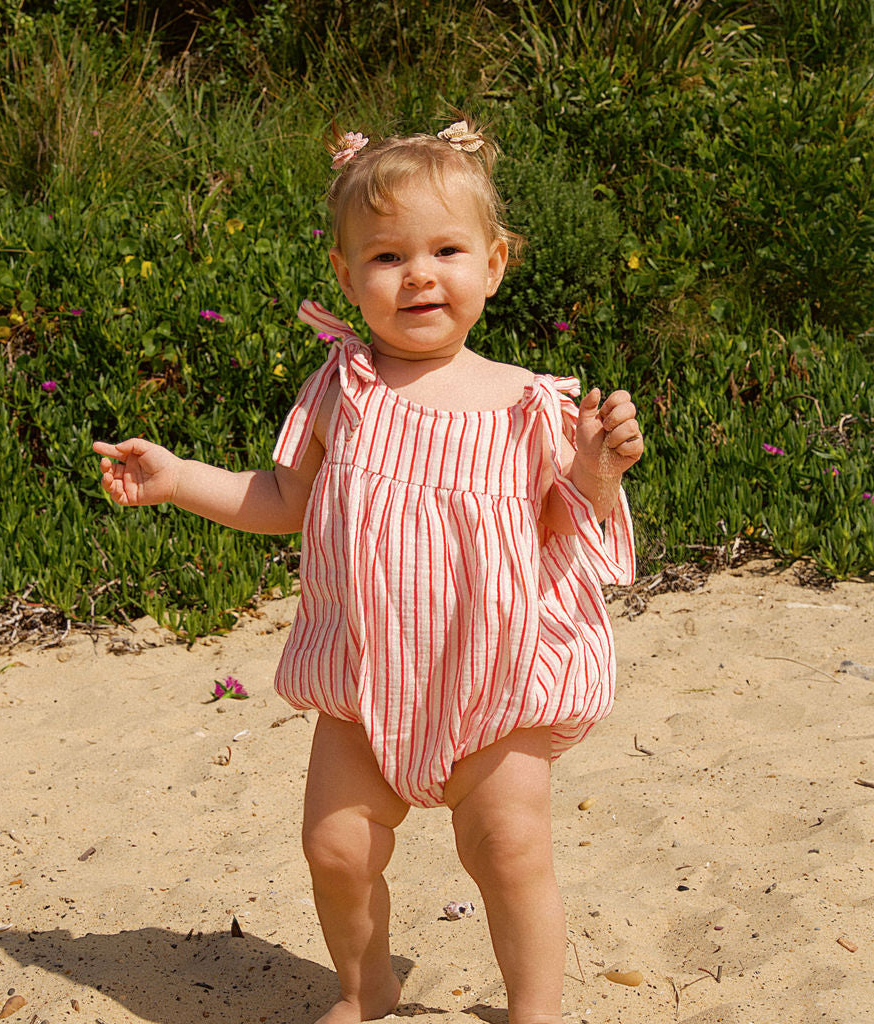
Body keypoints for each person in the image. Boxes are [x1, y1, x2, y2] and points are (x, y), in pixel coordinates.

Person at [94, 119, 643, 1024]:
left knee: (509, 848)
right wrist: (178, 478)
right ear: (348, 279)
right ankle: (367, 988)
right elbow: (283, 497)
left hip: (495, 683)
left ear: (495, 264)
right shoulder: (342, 392)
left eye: (447, 250)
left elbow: (566, 525)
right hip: (367, 676)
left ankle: (535, 1011)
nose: (419, 273)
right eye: (386, 256)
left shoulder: (526, 402)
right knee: (336, 847)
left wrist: (594, 469)